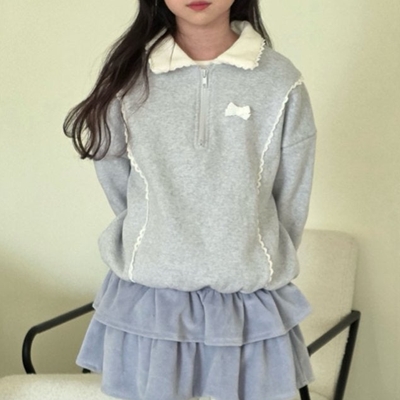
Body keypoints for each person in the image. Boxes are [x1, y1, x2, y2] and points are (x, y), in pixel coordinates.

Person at [63, 0, 317, 399]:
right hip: (151, 302)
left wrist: (249, 248)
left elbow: (292, 194)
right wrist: (156, 232)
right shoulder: (129, 78)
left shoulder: (280, 80)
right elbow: (117, 180)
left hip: (246, 306)